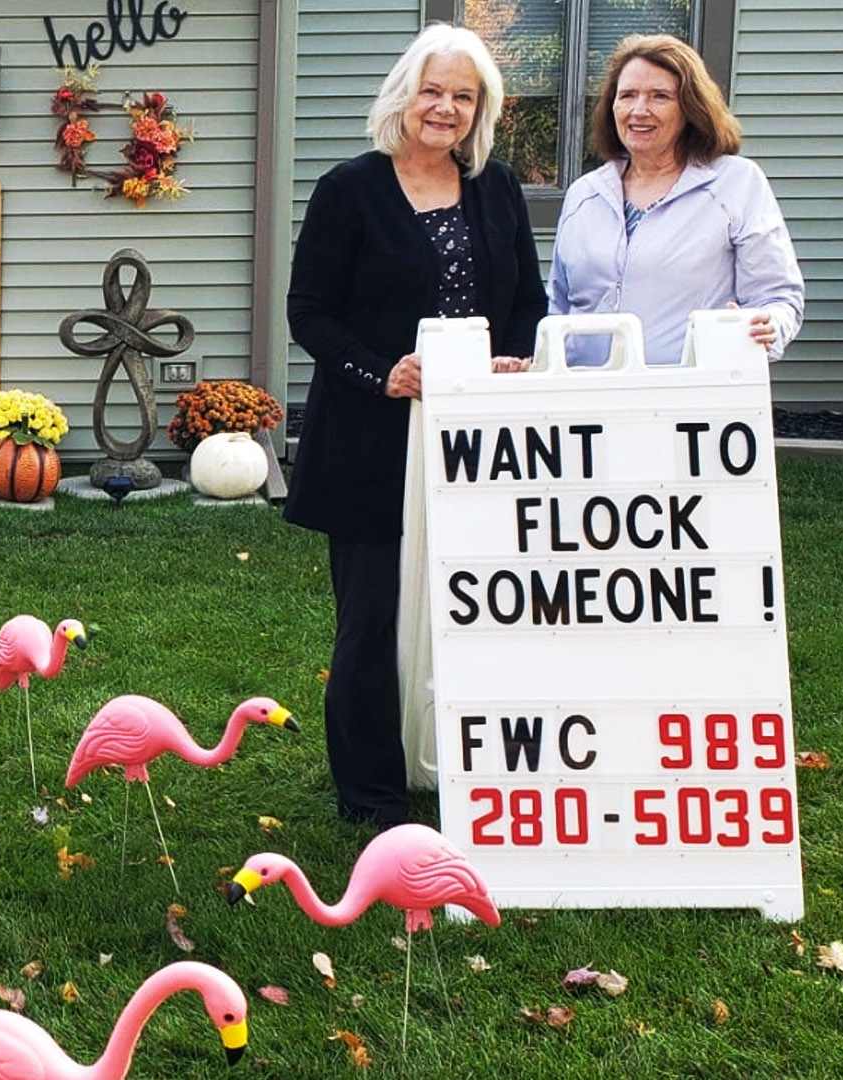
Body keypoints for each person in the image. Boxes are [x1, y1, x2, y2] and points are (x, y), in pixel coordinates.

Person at [283, 24, 544, 828]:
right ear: (405, 93)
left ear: (482, 109)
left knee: (478, 605)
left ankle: (468, 768)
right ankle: (372, 796)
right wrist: (383, 371)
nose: (446, 108)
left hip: (478, 441)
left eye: (464, 96)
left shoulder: (497, 189)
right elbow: (310, 312)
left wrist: (516, 359)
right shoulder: (350, 189)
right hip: (370, 437)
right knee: (372, 616)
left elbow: (527, 301)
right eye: (434, 90)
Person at [550, 34, 804, 366]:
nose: (639, 110)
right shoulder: (584, 194)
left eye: (660, 96)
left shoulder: (736, 183)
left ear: (690, 107)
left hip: (690, 402)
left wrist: (767, 325)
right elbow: (558, 305)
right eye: (627, 95)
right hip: (585, 401)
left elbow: (779, 298)